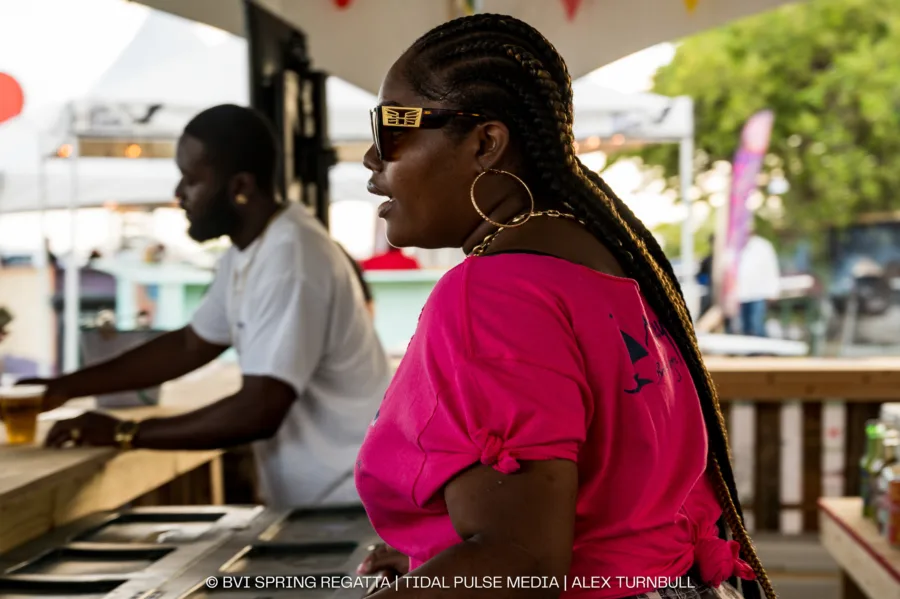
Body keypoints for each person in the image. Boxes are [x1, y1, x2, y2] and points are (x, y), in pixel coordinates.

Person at [354, 14, 772, 599]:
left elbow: (518, 565)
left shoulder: (492, 293)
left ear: (485, 144)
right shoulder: (603, 262)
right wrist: (434, 564)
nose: (373, 159)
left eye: (393, 127)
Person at [19, 105, 391, 508]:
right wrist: (65, 387)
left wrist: (123, 433)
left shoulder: (291, 257)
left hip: (351, 505)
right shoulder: (251, 250)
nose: (179, 195)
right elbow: (191, 345)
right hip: (323, 501)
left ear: (240, 186)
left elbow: (259, 410)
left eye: (192, 180)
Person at [734, 233, 780, 337]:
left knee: (756, 323)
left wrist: (773, 290)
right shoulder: (736, 245)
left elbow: (771, 268)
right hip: (741, 293)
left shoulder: (762, 246)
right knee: (745, 325)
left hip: (758, 292)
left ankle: (762, 350)